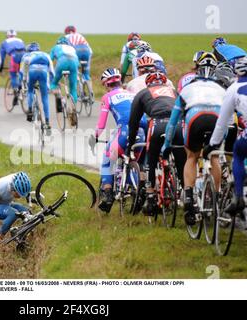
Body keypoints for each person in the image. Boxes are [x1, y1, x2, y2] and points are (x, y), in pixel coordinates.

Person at [204, 56, 247, 214]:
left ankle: (239, 198)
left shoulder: (233, 88)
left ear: (237, 71)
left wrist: (213, 144)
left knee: (238, 152)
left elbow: (223, 122)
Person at [162, 52, 225, 226]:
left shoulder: (187, 88)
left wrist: (166, 145)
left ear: (196, 70)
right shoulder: (221, 88)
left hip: (195, 119)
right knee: (213, 156)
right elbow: (231, 116)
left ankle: (189, 197)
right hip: (216, 119)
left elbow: (173, 122)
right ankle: (216, 198)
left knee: (191, 156)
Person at [128, 72, 186, 216]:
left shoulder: (143, 93)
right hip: (178, 125)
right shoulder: (174, 91)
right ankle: (188, 196)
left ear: (148, 84)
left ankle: (150, 196)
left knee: (151, 158)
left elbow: (133, 122)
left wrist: (130, 145)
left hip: (158, 123)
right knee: (182, 162)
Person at [93, 68, 146, 213]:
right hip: (142, 132)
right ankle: (137, 188)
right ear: (120, 81)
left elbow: (101, 125)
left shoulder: (107, 97)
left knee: (107, 157)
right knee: (134, 159)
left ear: (106, 84)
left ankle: (108, 194)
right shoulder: (133, 94)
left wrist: (95, 137)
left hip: (125, 131)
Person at [21, 42, 55, 133]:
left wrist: (24, 82)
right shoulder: (46, 55)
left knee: (30, 91)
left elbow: (23, 73)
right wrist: (50, 84)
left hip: (32, 72)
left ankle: (30, 111)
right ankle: (47, 121)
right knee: (45, 97)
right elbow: (52, 72)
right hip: (44, 72)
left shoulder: (26, 56)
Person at [50, 36, 79, 124]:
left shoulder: (56, 47)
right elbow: (78, 62)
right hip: (74, 63)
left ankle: (58, 97)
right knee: (73, 88)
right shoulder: (72, 48)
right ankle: (73, 109)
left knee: (54, 83)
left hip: (62, 62)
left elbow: (49, 60)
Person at [0, 29, 26, 105]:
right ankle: (22, 86)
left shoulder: (5, 42)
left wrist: (1, 67)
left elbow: (2, 56)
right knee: (22, 73)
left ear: (7, 36)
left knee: (13, 74)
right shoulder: (20, 40)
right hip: (24, 55)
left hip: (14, 55)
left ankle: (16, 90)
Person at [65, 26, 93, 95]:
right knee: (86, 73)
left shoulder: (66, 37)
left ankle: (78, 90)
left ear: (66, 32)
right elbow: (91, 51)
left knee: (74, 71)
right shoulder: (80, 35)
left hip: (76, 51)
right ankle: (91, 91)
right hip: (87, 51)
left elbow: (66, 51)